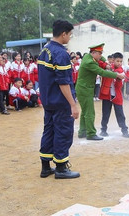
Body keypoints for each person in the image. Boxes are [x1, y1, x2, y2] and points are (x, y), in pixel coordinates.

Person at [38, 19, 79, 179]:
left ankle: (46, 167)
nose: (69, 37)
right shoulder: (60, 53)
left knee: (49, 131)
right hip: (61, 102)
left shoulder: (45, 50)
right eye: (69, 35)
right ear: (63, 34)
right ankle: (61, 167)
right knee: (63, 132)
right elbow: (63, 82)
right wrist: (73, 104)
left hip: (48, 101)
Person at [76, 43, 124, 141]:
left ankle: (82, 131)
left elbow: (101, 60)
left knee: (85, 111)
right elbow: (101, 72)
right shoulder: (90, 62)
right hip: (85, 89)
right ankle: (91, 133)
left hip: (83, 88)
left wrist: (106, 63)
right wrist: (116, 75)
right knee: (90, 112)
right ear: (93, 53)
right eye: (99, 53)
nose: (101, 56)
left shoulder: (87, 56)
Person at [99, 52, 129, 138]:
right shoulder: (108, 67)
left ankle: (124, 130)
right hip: (106, 95)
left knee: (120, 114)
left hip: (117, 97)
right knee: (105, 114)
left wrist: (119, 78)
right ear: (113, 60)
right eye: (117, 61)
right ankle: (103, 130)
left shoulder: (121, 72)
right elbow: (100, 63)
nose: (119, 63)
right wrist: (109, 67)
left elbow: (119, 86)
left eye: (121, 61)